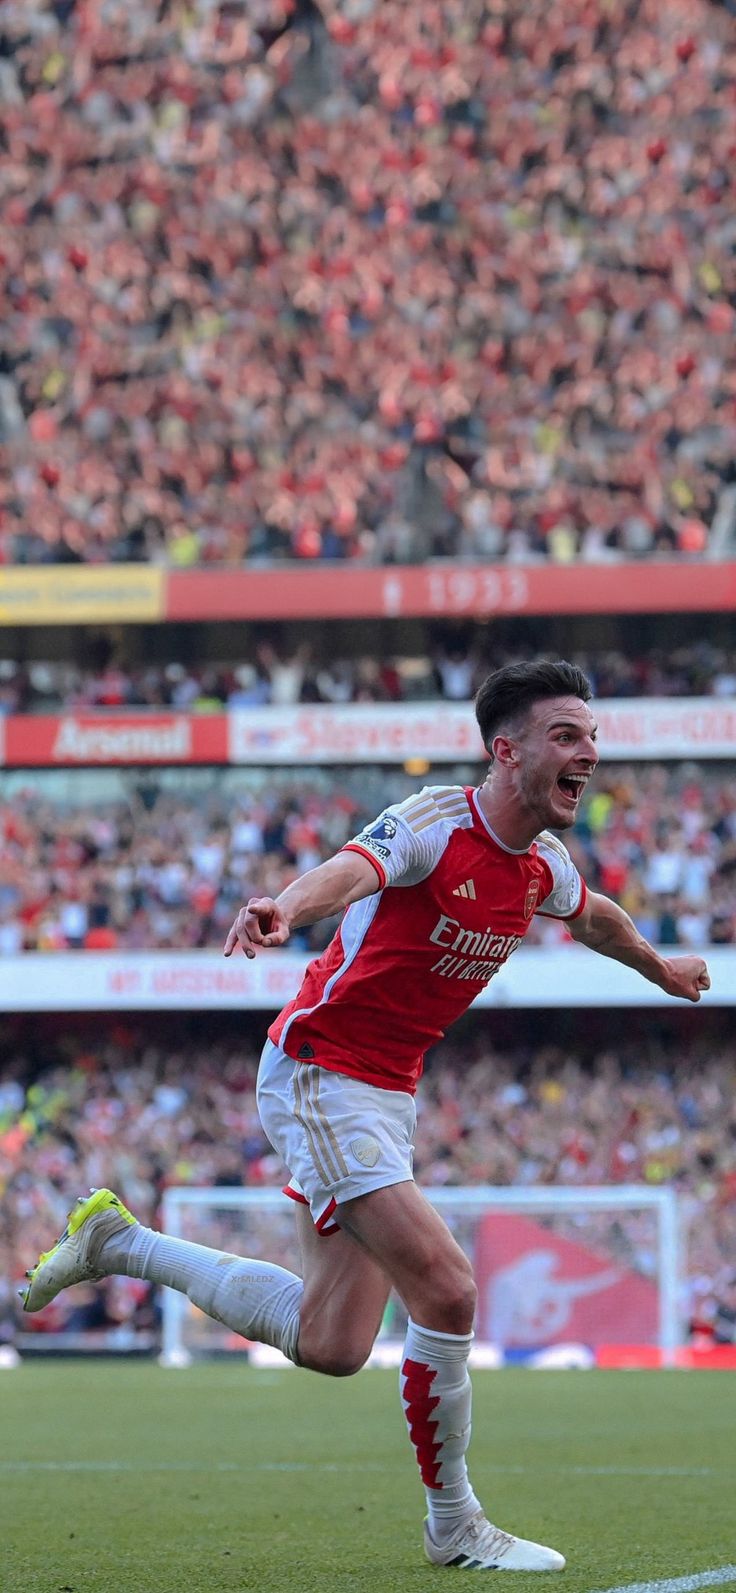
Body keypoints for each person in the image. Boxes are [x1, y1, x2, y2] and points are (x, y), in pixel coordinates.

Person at [23, 660, 710, 1571]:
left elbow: (597, 920)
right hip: (321, 1066)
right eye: (568, 735)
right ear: (506, 752)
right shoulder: (435, 822)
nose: (591, 752)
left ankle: (119, 1243)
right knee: (450, 1288)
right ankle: (454, 1523)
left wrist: (663, 969)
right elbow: (349, 871)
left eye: (592, 735)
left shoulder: (542, 863)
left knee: (334, 1341)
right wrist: (284, 907)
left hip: (387, 1091)